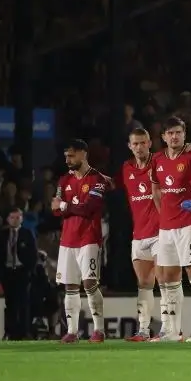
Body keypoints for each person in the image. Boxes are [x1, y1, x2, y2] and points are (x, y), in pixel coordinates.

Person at [150, 117, 191, 341]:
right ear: (163, 137)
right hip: (166, 227)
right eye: (170, 133)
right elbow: (156, 190)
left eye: (178, 132)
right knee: (169, 277)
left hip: (189, 224)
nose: (174, 136)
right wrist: (164, 215)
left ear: (184, 134)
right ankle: (172, 331)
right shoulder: (157, 160)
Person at [53, 139, 113, 343]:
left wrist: (65, 206)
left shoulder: (97, 179)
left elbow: (89, 208)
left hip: (89, 237)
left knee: (89, 283)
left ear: (83, 154)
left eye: (71, 156)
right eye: (66, 156)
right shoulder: (64, 180)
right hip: (68, 239)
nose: (67, 160)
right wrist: (64, 207)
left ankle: (99, 330)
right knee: (70, 285)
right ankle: (72, 332)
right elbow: (54, 208)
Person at [122, 126, 159, 341]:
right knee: (144, 283)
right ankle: (143, 330)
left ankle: (170, 329)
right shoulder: (126, 168)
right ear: (130, 146)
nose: (139, 147)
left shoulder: (159, 163)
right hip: (139, 235)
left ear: (149, 143)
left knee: (166, 281)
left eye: (143, 143)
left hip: (160, 233)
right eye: (135, 144)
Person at [0, 208, 37, 340]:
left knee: (23, 302)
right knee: (10, 303)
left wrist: (29, 271)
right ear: (8, 219)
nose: (15, 220)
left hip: (22, 271)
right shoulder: (3, 234)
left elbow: (33, 254)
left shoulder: (27, 233)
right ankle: (10, 332)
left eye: (17, 217)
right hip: (8, 272)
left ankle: (24, 332)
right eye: (12, 217)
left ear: (22, 219)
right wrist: (0, 272)